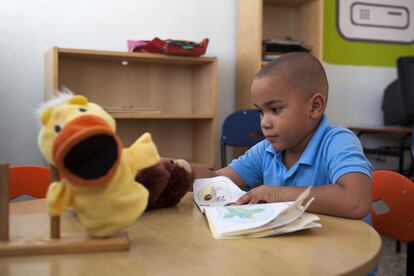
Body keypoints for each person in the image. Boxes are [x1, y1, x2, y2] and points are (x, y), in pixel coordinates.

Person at [192, 52, 372, 219]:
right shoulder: (267, 150)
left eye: (275, 109)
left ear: (315, 106)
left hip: (342, 249)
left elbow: (356, 201)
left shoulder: (338, 142)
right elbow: (217, 181)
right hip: (293, 248)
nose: (264, 123)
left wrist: (278, 194)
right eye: (260, 112)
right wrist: (180, 171)